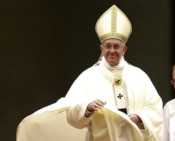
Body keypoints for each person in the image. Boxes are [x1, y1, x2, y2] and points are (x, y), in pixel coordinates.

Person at [16, 5, 163, 141]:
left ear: (124, 50)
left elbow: (155, 109)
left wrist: (138, 117)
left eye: (116, 46)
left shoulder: (139, 76)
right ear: (101, 49)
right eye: (108, 46)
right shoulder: (88, 77)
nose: (112, 51)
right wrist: (87, 108)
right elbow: (72, 115)